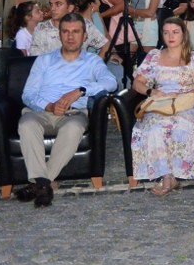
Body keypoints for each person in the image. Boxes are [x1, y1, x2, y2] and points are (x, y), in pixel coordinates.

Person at [15, 13, 119, 207]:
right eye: (66, 31)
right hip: (42, 112)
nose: (71, 36)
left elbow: (111, 82)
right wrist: (50, 106)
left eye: (76, 32)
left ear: (85, 36)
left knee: (73, 128)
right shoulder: (43, 61)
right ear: (60, 34)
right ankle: (44, 183)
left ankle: (39, 183)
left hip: (74, 114)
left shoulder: (92, 61)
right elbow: (27, 94)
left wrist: (80, 91)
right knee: (26, 124)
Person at [128, 18, 194, 195]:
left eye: (175, 32)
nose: (170, 36)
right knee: (156, 126)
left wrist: (184, 96)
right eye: (166, 32)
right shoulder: (154, 56)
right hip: (160, 103)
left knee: (182, 124)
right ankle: (167, 175)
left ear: (183, 34)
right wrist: (151, 92)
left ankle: (180, 171)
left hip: (187, 103)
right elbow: (137, 83)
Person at [30, 0, 109, 57]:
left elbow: (106, 45)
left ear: (70, 8)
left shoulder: (85, 25)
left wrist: (94, 67)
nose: (52, 8)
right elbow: (35, 59)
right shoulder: (41, 29)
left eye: (58, 4)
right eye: (51, 4)